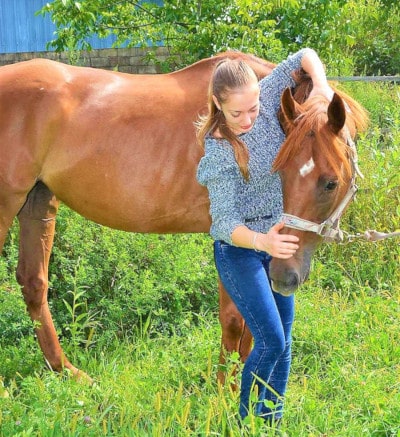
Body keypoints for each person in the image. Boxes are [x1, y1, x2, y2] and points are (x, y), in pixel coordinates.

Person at [196, 48, 333, 424]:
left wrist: (320, 86)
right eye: (236, 113)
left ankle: (271, 419)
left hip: (278, 241)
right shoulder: (219, 147)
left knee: (284, 342)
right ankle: (244, 423)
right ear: (218, 105)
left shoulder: (268, 93)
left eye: (253, 108)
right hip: (240, 251)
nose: (248, 119)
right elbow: (223, 223)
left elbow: (306, 54)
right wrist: (263, 243)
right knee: (270, 339)